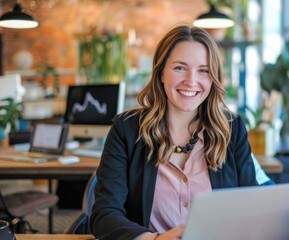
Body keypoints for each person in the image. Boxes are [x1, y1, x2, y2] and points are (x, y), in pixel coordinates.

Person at [90, 24, 273, 240]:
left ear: (213, 78)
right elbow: (104, 215)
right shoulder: (127, 129)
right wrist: (154, 239)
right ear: (160, 73)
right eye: (179, 68)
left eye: (203, 70)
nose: (191, 81)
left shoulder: (232, 129)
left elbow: (250, 206)